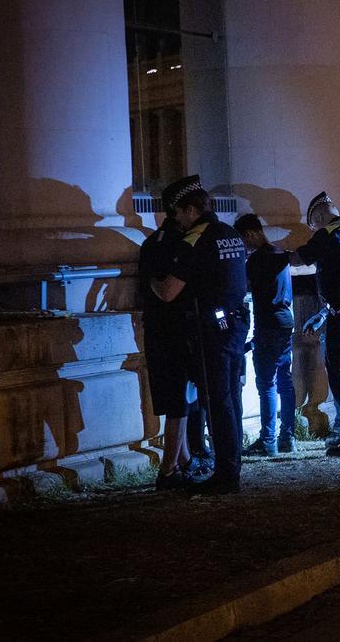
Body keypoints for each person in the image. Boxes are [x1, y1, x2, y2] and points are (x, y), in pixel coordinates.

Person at [152, 175, 250, 494]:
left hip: (212, 331)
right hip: (236, 324)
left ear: (191, 210)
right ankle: (233, 466)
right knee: (231, 398)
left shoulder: (194, 240)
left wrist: (151, 280)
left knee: (217, 401)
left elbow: (168, 292)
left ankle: (226, 475)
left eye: (178, 213)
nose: (176, 220)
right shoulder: (230, 233)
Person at [290, 192, 340, 457]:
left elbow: (302, 258)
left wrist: (270, 258)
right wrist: (324, 313)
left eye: (313, 225)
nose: (314, 230)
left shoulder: (333, 231)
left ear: (319, 215)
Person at [140, 192, 206, 490]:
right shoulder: (177, 245)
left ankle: (184, 460)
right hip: (175, 332)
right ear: (181, 212)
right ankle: (169, 469)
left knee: (181, 400)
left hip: (162, 331)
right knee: (180, 401)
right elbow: (168, 291)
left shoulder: (154, 243)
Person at [234, 214, 297, 456]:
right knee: (285, 380)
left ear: (250, 235)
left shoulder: (255, 261)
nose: (243, 246)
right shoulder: (280, 254)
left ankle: (268, 439)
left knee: (266, 383)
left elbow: (243, 289)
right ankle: (287, 437)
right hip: (285, 322)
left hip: (268, 325)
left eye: (242, 240)